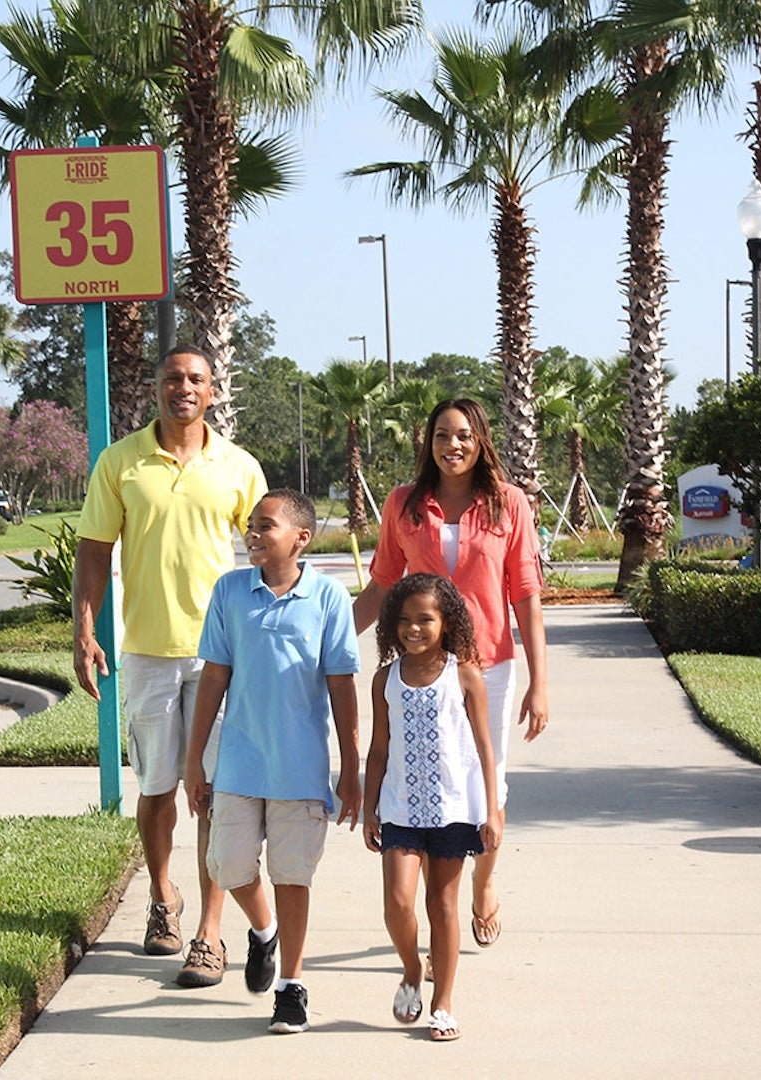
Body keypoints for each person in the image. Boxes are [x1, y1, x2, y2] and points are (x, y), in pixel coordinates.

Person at [73, 345, 267, 987]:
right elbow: (95, 549)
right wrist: (85, 630)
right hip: (148, 653)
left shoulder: (238, 467)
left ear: (212, 391)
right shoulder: (120, 462)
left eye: (195, 379)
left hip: (221, 657)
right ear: (155, 389)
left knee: (213, 791)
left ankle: (211, 934)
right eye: (172, 379)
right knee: (157, 788)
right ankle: (164, 900)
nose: (183, 388)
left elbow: (270, 553)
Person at [352, 398, 546, 949]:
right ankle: (442, 921)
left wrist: (540, 682)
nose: (451, 445)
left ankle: (483, 882)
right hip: (422, 667)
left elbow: (527, 596)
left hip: (488, 665)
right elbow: (384, 584)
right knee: (433, 783)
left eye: (463, 435)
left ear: (481, 441)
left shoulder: (510, 505)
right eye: (441, 435)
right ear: (428, 443)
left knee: (489, 787)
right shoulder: (403, 504)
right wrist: (330, 640)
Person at [183, 489, 362, 1033]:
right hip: (238, 760)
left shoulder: (328, 598)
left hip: (299, 768)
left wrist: (350, 768)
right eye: (250, 526)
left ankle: (291, 985)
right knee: (227, 865)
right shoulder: (230, 591)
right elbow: (214, 675)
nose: (253, 534)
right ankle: (263, 930)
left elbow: (342, 685)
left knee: (292, 875)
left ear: (301, 538)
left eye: (266, 525)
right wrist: (195, 760)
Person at [363, 573, 501, 1043]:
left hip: (452, 811)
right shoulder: (385, 678)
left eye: (425, 619)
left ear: (447, 623)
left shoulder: (463, 674)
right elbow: (378, 749)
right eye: (404, 621)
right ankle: (410, 966)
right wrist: (369, 807)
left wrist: (492, 810)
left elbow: (484, 746)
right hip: (400, 808)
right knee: (398, 903)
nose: (414, 629)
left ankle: (442, 1003)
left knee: (442, 905)